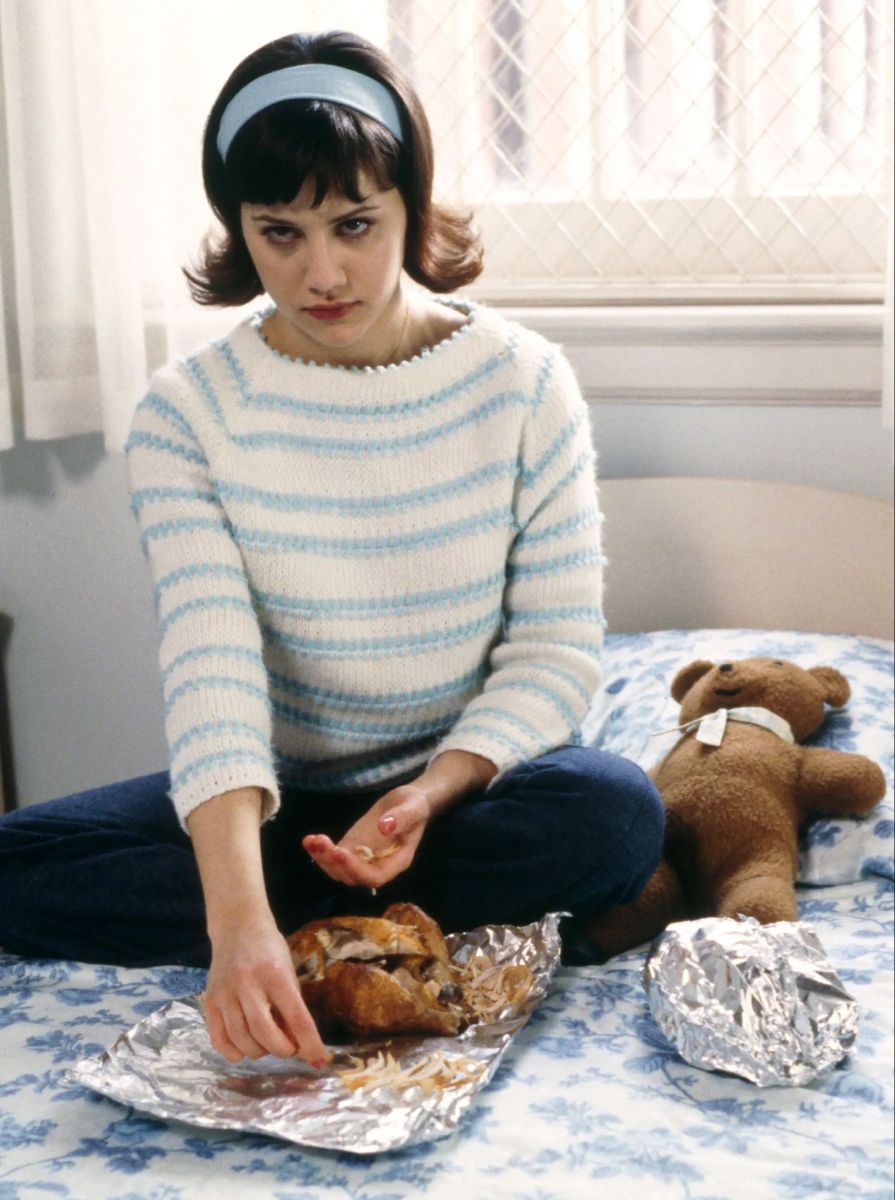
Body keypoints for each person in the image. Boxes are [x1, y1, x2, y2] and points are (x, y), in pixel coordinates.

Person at [0, 30, 663, 1069]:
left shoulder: (523, 383)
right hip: (282, 802)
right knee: (16, 865)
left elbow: (553, 652)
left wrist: (427, 794)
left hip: (457, 797)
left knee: (615, 813)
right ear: (239, 228)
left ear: (409, 203)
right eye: (280, 232)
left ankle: (310, 925)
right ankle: (312, 933)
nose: (321, 272)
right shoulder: (186, 413)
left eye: (355, 223)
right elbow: (212, 669)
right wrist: (236, 921)